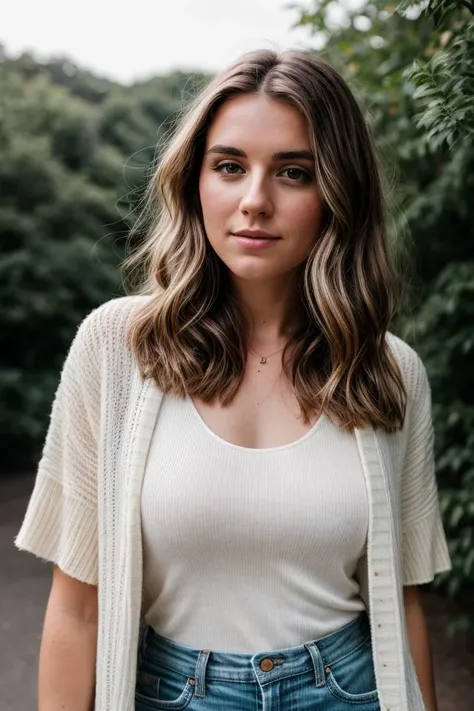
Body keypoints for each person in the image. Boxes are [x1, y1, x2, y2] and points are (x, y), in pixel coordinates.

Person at [15, 49, 451, 711]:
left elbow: (403, 602)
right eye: (229, 166)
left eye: (294, 173)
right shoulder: (115, 349)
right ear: (196, 181)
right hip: (168, 692)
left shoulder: (389, 370)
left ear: (338, 192)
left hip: (347, 689)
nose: (255, 201)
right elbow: (77, 610)